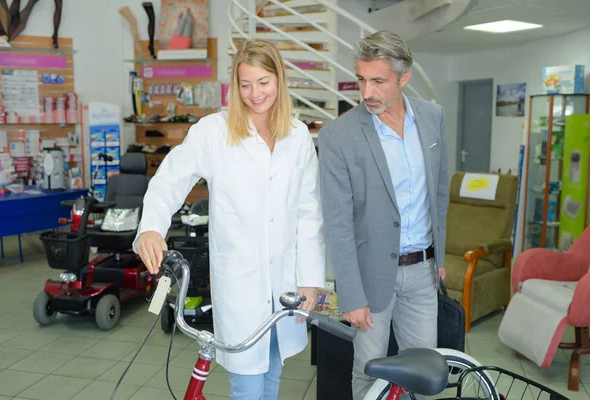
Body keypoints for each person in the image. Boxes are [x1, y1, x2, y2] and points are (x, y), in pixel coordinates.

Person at [133, 38, 326, 400]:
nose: (255, 93)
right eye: (245, 83)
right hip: (241, 282)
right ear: (235, 86)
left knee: (272, 371)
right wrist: (151, 228)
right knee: (247, 381)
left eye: (263, 82)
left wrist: (311, 279)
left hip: (285, 279)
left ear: (279, 80)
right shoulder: (213, 131)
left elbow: (309, 211)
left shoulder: (298, 136)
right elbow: (170, 179)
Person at [318, 30, 448, 400]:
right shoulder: (337, 136)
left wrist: (439, 256)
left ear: (403, 78)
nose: (367, 92)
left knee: (423, 371)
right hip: (369, 277)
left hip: (422, 271)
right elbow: (338, 222)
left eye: (378, 81)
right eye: (362, 79)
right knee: (369, 370)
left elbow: (439, 192)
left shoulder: (433, 117)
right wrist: (351, 295)